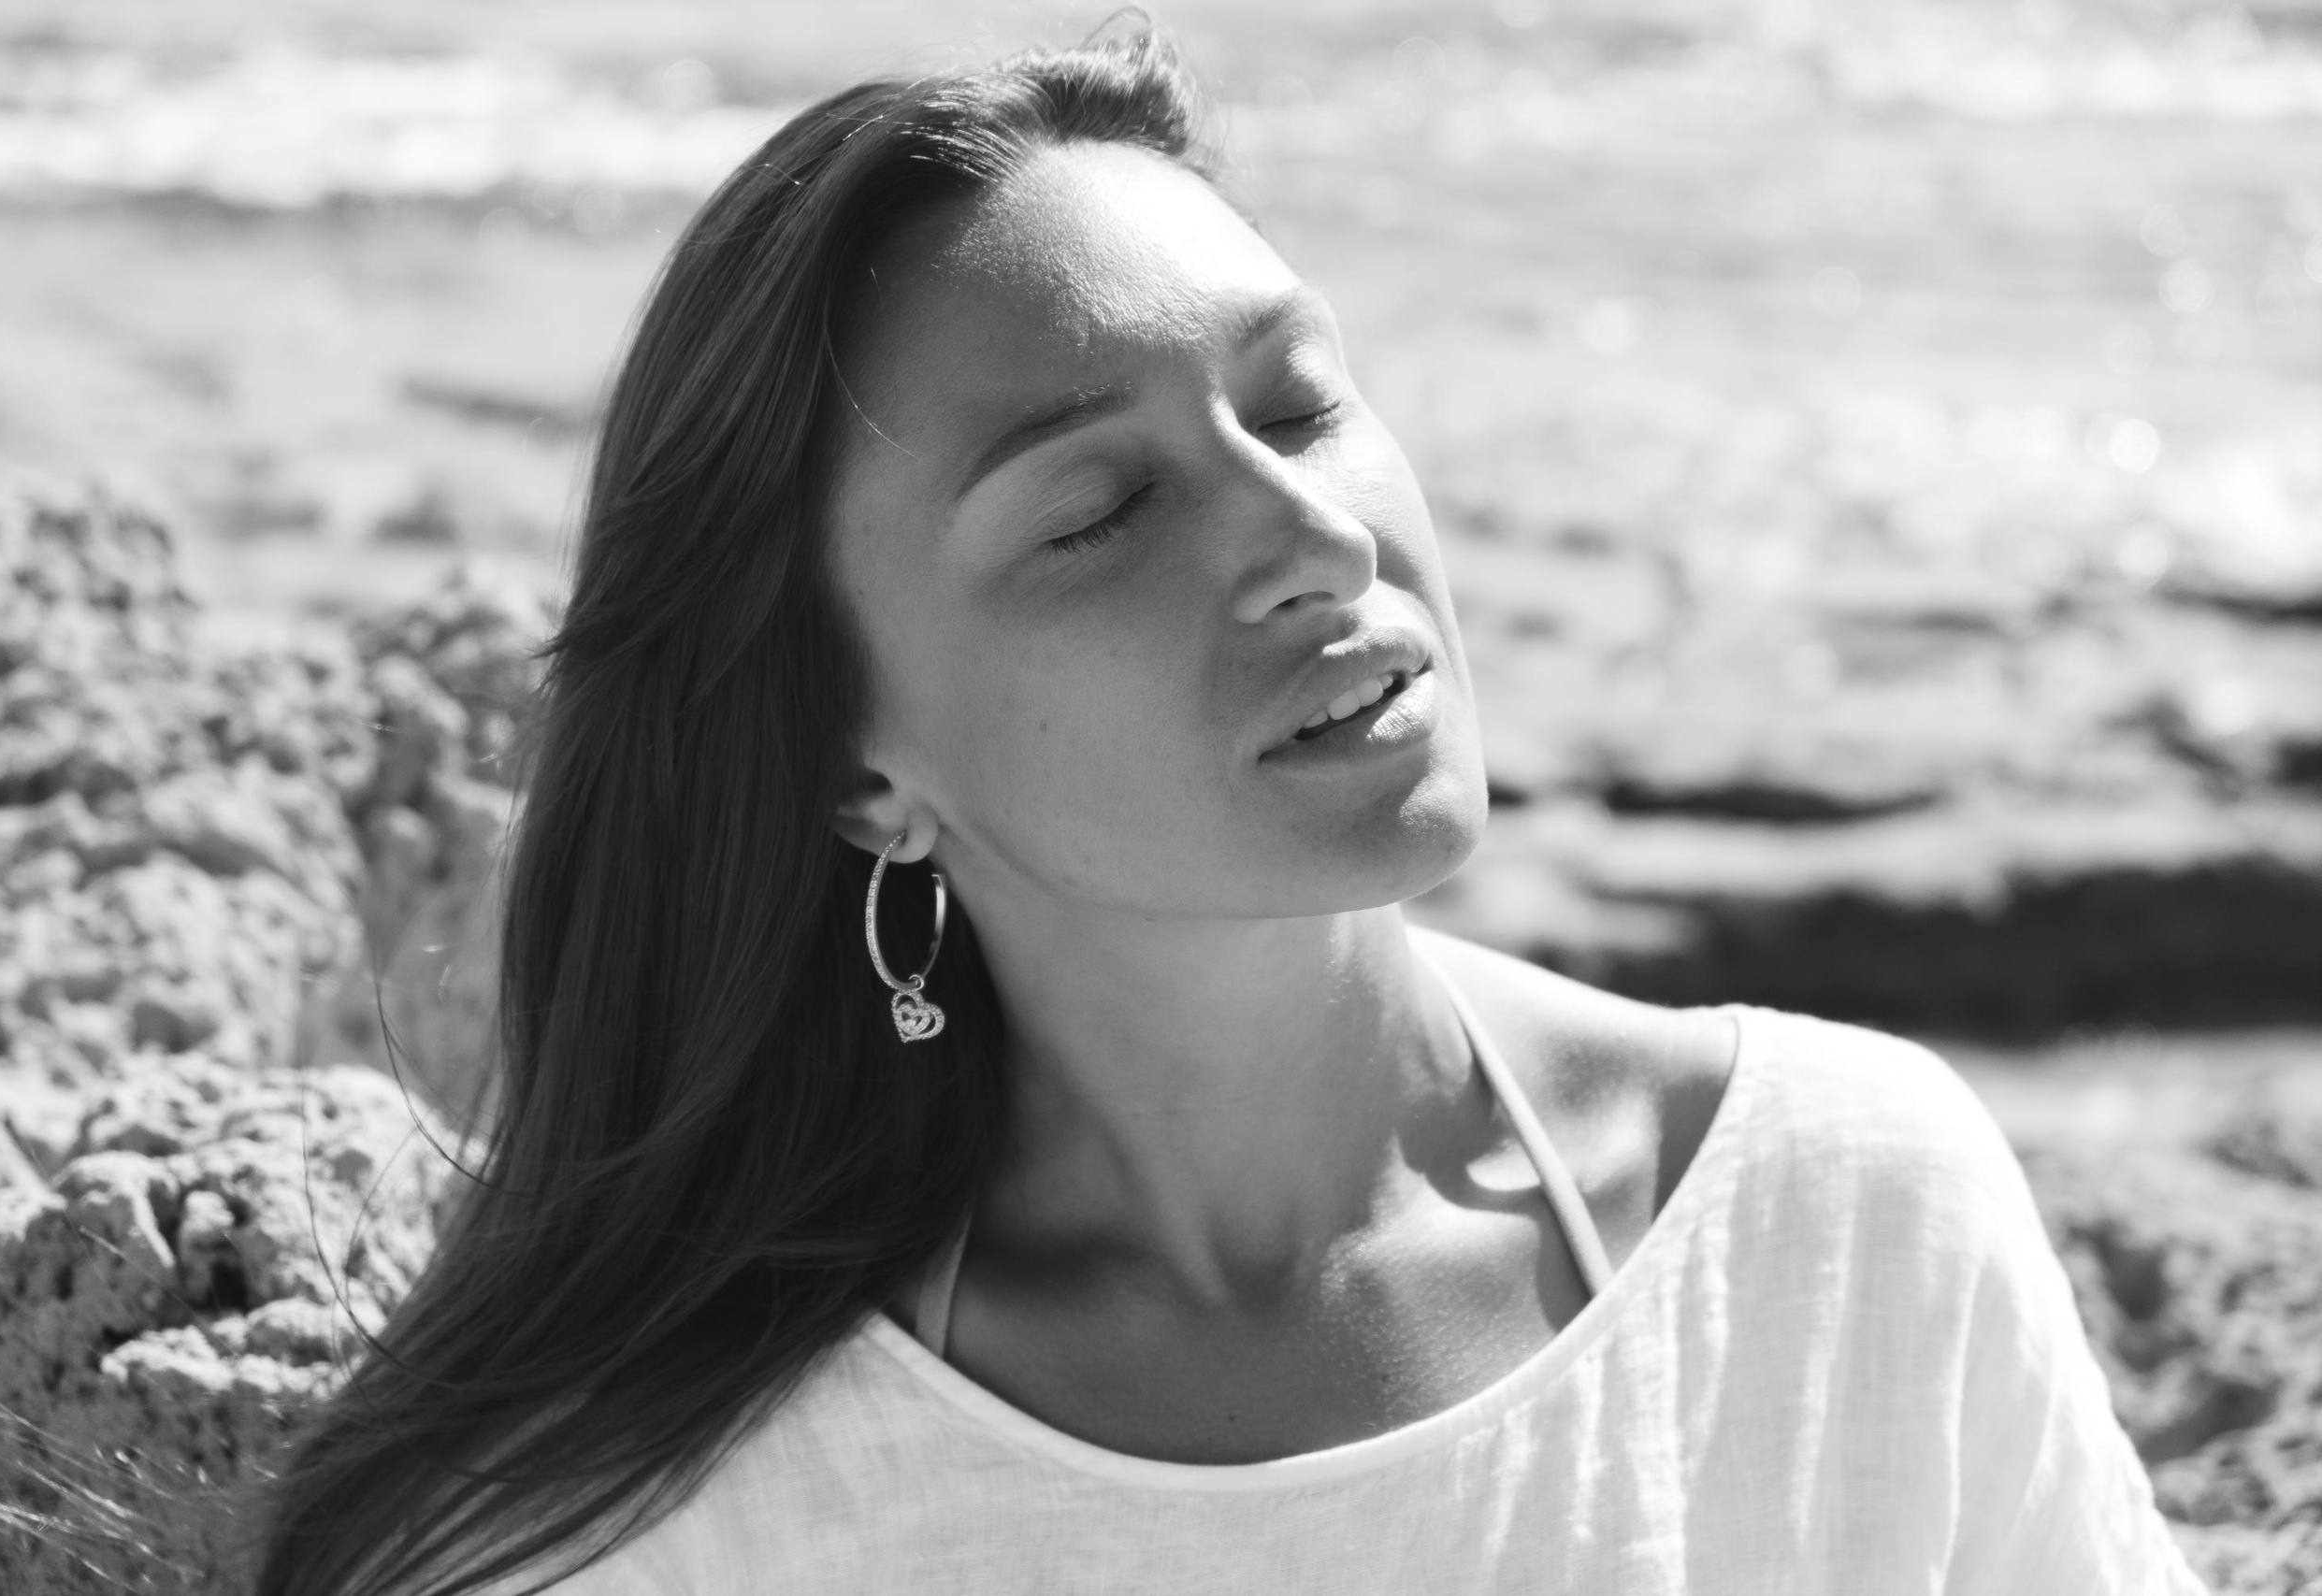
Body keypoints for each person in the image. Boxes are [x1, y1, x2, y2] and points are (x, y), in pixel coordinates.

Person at [257, 24, 2206, 1596]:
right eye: (1094, 512)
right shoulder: (661, 1522)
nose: (1308, 531)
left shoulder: (1833, 1217)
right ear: (858, 770)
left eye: (1293, 407)